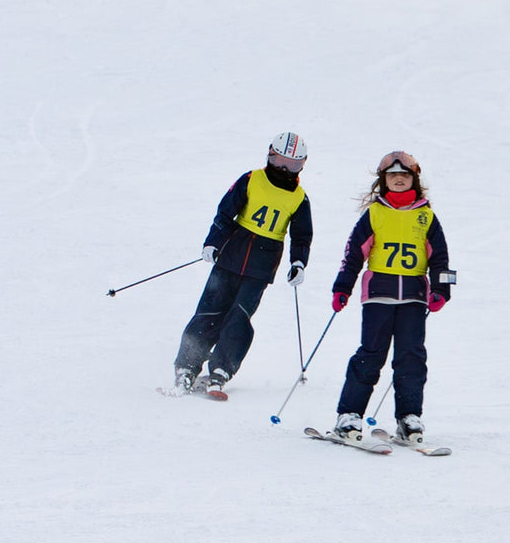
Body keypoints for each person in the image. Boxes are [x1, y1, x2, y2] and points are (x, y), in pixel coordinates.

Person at [173, 132, 313, 396]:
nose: (284, 169)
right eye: (281, 161)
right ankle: (187, 367)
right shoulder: (251, 180)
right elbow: (225, 212)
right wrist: (213, 242)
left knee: (240, 317)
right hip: (231, 256)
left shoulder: (299, 198)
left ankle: (221, 370)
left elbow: (302, 236)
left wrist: (298, 262)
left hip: (261, 266)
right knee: (210, 311)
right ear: (270, 155)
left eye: (292, 165)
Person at [329, 151, 453, 445]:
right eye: (392, 175)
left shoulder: (426, 217)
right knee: (370, 355)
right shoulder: (374, 214)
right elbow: (353, 254)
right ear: (383, 181)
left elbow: (441, 258)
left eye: (405, 175)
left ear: (415, 180)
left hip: (413, 297)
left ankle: (409, 418)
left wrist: (441, 290)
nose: (399, 179)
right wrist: (342, 287)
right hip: (378, 296)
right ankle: (349, 415)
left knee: (411, 358)